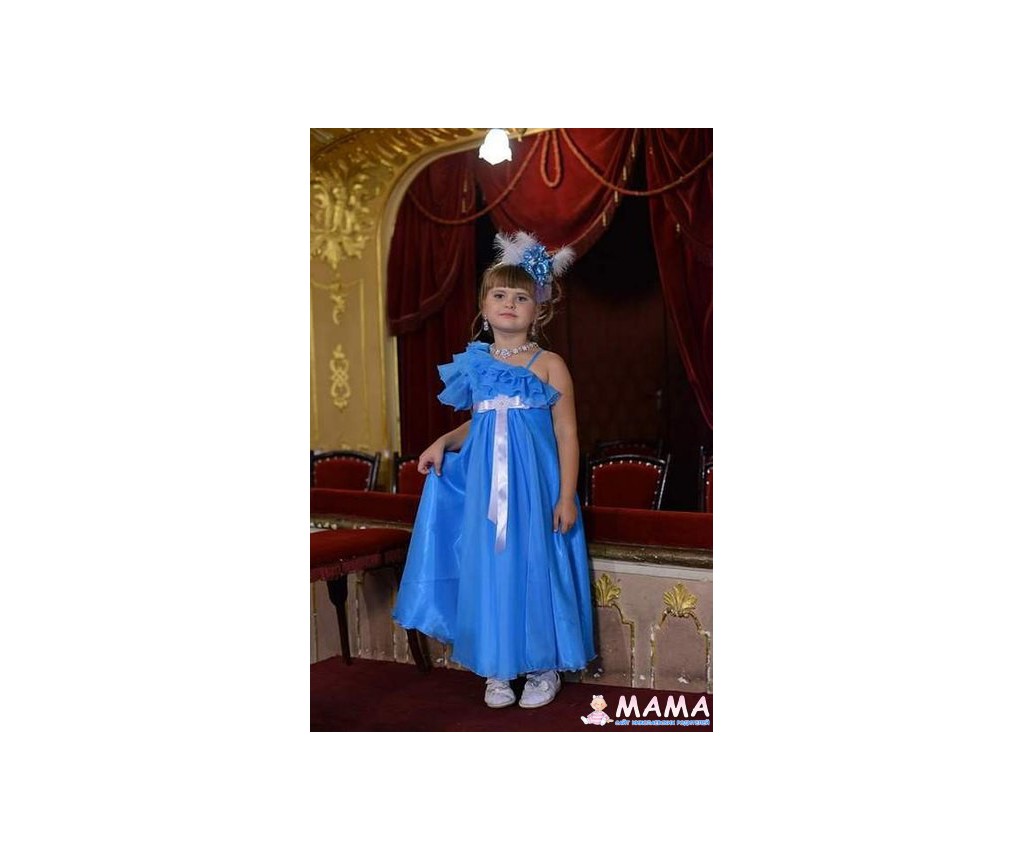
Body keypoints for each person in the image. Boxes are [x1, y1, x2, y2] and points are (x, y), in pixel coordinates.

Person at [393, 231, 595, 709]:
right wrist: (444, 441)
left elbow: (567, 434)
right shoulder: (476, 365)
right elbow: (481, 422)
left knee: (536, 568)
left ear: (538, 309)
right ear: (484, 306)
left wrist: (566, 496)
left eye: (521, 297)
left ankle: (543, 667)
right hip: (487, 492)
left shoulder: (549, 365)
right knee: (491, 570)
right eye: (500, 295)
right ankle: (497, 667)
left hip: (536, 490)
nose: (509, 304)